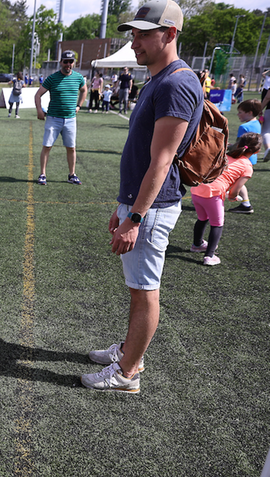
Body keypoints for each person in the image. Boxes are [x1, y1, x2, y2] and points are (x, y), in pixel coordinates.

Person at [82, 0, 203, 393]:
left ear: (170, 34)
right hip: (141, 204)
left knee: (145, 292)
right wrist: (125, 206)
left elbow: (162, 161)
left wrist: (135, 217)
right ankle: (130, 352)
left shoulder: (175, 84)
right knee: (138, 290)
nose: (134, 42)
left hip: (151, 209)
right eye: (133, 34)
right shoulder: (159, 79)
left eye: (143, 34)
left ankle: (127, 372)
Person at [190, 133, 261, 266]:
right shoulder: (247, 166)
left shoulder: (224, 155)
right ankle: (209, 256)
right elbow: (235, 190)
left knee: (202, 218)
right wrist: (232, 197)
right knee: (217, 224)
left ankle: (197, 245)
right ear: (257, 151)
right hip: (213, 194)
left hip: (197, 189)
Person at [35, 50, 88, 185]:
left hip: (70, 119)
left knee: (71, 148)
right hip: (53, 118)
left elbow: (84, 90)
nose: (68, 64)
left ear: (74, 63)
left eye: (71, 62)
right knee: (47, 146)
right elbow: (38, 95)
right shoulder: (52, 78)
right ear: (61, 62)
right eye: (66, 61)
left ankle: (72, 175)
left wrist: (79, 106)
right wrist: (39, 110)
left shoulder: (78, 78)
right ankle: (42, 174)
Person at [226, 99, 261, 215]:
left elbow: (239, 146)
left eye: (240, 112)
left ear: (249, 113)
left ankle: (245, 204)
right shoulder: (257, 123)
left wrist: (227, 147)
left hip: (241, 159)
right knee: (238, 181)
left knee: (234, 181)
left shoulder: (244, 127)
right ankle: (246, 205)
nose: (238, 114)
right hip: (251, 158)